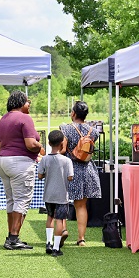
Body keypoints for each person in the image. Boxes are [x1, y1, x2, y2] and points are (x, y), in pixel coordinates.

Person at [0, 90, 44, 250]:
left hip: (2, 161)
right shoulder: (25, 118)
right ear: (22, 103)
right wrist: (40, 147)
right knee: (22, 200)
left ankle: (11, 235)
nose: (29, 105)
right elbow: (30, 143)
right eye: (28, 102)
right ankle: (14, 238)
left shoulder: (3, 119)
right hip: (20, 163)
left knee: (11, 200)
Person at [60, 100, 101, 247]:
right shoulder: (94, 132)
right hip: (87, 169)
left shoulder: (65, 129)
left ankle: (63, 229)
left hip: (70, 168)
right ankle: (81, 238)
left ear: (73, 113)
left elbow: (63, 150)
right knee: (81, 205)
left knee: (62, 201)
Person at [37, 130, 74, 257]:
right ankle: (56, 248)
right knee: (60, 220)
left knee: (50, 217)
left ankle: (48, 242)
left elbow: (40, 175)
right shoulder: (66, 161)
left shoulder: (45, 159)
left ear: (48, 142)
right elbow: (70, 177)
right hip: (62, 195)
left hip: (48, 194)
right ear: (62, 143)